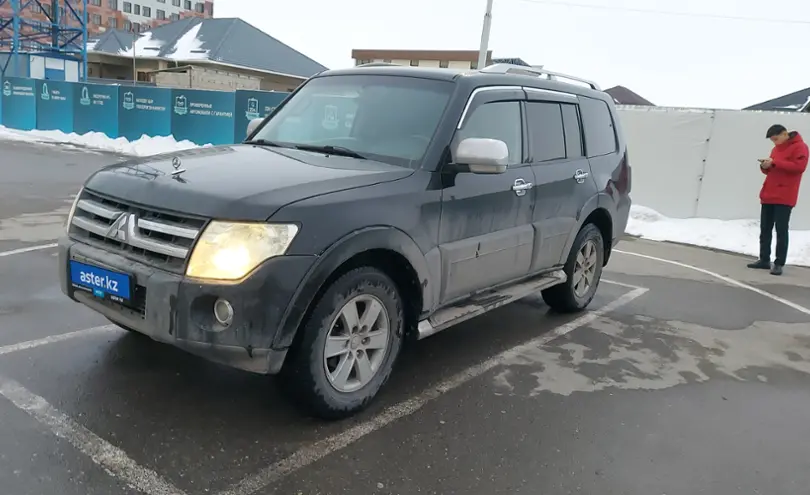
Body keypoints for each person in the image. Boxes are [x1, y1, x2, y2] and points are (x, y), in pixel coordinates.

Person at [747, 124, 808, 275]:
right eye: (772, 141)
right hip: (769, 193)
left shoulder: (800, 147)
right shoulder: (776, 149)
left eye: (776, 139)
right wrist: (766, 166)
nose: (775, 143)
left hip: (785, 195)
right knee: (765, 229)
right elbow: (774, 168)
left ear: (785, 134)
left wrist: (775, 162)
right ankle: (764, 259)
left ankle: (779, 262)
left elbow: (799, 167)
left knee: (781, 230)